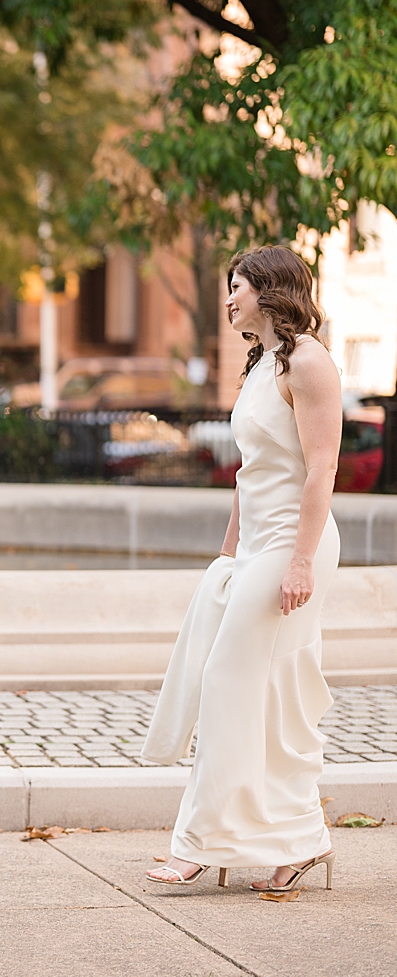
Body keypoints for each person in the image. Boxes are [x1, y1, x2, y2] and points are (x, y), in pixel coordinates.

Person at [142, 246, 342, 894]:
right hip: (258, 545)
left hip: (294, 542)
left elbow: (322, 469)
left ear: (270, 289)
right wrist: (228, 555)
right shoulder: (261, 364)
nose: (228, 299)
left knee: (227, 679)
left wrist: (302, 561)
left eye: (236, 287)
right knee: (275, 699)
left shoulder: (310, 362)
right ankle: (300, 838)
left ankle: (197, 843)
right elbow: (249, 472)